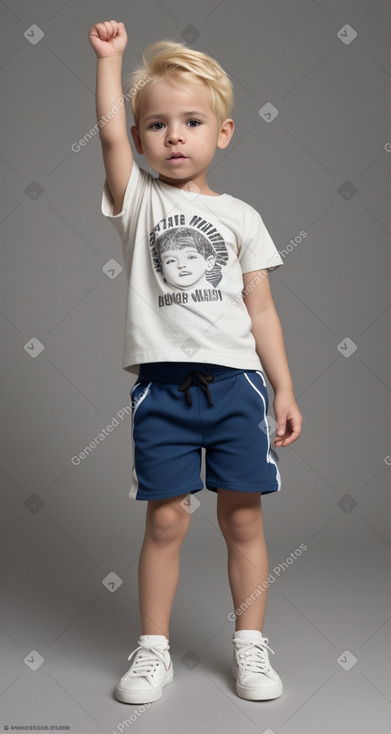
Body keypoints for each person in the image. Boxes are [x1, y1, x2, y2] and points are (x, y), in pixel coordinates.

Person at [88, 19, 303, 705]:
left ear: (223, 133)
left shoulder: (242, 217)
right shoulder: (139, 202)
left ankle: (249, 646)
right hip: (163, 389)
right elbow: (108, 134)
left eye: (190, 121)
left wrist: (285, 387)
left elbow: (261, 309)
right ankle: (152, 650)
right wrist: (111, 61)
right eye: (156, 124)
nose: (172, 136)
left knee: (242, 518)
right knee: (167, 520)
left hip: (237, 388)